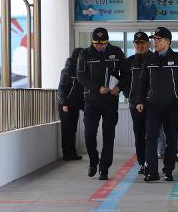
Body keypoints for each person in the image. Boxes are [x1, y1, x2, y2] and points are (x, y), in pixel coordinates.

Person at [135, 27, 178, 182]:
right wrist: (140, 100)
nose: (155, 42)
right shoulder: (149, 59)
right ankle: (152, 171)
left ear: (167, 42)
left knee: (171, 139)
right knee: (150, 137)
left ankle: (168, 170)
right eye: (154, 39)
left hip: (172, 106)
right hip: (152, 106)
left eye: (158, 39)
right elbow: (142, 82)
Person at [77, 27, 127, 180]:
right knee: (89, 133)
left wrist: (119, 87)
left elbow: (126, 74)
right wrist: (97, 88)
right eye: (97, 44)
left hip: (110, 101)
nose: (100, 46)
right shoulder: (85, 54)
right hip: (92, 101)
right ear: (93, 42)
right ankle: (94, 160)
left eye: (103, 43)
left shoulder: (117, 52)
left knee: (108, 135)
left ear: (107, 41)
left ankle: (104, 168)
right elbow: (81, 77)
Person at [124, 31, 152, 174]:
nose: (139, 46)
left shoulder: (155, 59)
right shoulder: (129, 62)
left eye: (142, 43)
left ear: (148, 44)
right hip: (134, 103)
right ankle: (142, 162)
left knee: (151, 134)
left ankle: (150, 162)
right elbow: (124, 81)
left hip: (152, 104)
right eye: (136, 43)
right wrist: (128, 94)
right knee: (139, 133)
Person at [57, 48, 85, 161]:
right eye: (81, 57)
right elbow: (61, 88)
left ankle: (72, 153)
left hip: (75, 105)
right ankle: (66, 154)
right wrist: (64, 103)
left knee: (73, 129)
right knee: (66, 130)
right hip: (66, 106)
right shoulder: (67, 70)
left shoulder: (80, 70)